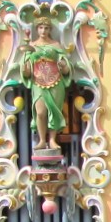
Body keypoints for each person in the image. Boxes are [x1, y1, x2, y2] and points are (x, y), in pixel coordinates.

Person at [21, 15, 72, 152]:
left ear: (50, 29)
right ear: (37, 29)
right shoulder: (31, 46)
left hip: (55, 81)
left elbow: (65, 65)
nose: (43, 31)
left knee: (54, 110)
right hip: (38, 81)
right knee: (41, 112)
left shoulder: (56, 45)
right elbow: (26, 68)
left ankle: (52, 139)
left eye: (46, 28)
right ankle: (42, 140)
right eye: (41, 28)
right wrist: (25, 70)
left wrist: (64, 66)